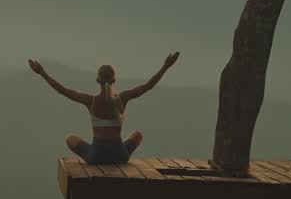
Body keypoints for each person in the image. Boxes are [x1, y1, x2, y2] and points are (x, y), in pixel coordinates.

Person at [27, 52, 180, 164]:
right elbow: (148, 86)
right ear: (114, 80)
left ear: (97, 80)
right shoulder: (123, 98)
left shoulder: (91, 101)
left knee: (70, 138)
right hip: (119, 155)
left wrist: (42, 73)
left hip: (96, 156)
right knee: (137, 134)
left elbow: (62, 90)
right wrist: (165, 66)